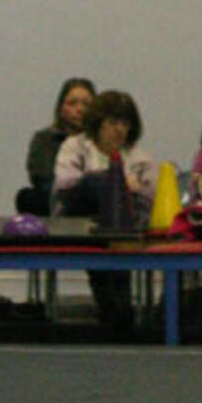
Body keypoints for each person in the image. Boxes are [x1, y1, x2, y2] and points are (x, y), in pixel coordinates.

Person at [53, 87, 157, 334]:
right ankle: (116, 306)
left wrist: (127, 189)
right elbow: (65, 186)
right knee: (99, 184)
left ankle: (118, 308)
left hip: (119, 228)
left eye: (125, 123)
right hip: (77, 218)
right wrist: (117, 182)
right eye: (113, 123)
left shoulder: (139, 157)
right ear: (98, 124)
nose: (120, 130)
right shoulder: (74, 147)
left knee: (122, 213)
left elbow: (150, 196)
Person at [17, 76, 96, 216]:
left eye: (86, 104)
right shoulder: (45, 138)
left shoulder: (100, 141)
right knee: (27, 197)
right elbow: (41, 177)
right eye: (72, 103)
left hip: (91, 198)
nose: (80, 109)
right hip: (57, 195)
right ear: (61, 108)